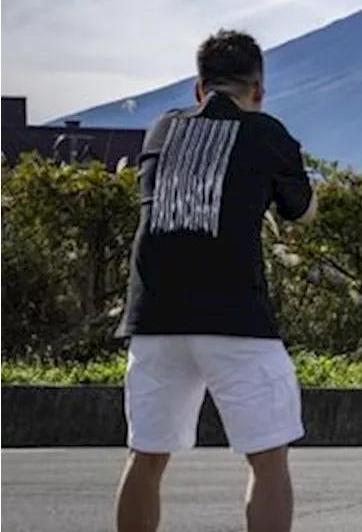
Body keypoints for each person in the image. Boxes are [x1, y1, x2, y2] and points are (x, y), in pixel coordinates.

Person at [112, 29, 318, 532]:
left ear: (198, 89)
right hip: (234, 320)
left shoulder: (160, 130)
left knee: (146, 457)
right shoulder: (266, 131)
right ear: (258, 90)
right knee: (267, 460)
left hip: (154, 318)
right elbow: (302, 211)